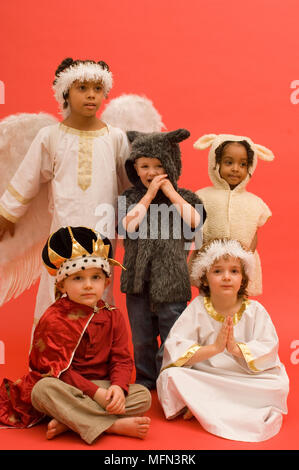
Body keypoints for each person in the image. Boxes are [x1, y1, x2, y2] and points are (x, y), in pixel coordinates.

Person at [0, 57, 130, 328]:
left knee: (100, 288)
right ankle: (49, 362)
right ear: (65, 92)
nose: (91, 94)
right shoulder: (51, 136)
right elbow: (27, 178)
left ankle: (97, 361)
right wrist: (7, 213)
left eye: (97, 88)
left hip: (102, 232)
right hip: (63, 231)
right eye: (82, 87)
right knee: (56, 288)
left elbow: (129, 185)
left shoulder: (115, 137)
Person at [0, 226, 151, 444]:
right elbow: (56, 371)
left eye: (96, 277)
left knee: (142, 396)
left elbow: (121, 359)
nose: (88, 285)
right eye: (78, 278)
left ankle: (71, 420)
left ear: (106, 282)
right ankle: (111, 425)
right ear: (62, 284)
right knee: (42, 390)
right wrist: (97, 396)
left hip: (101, 385)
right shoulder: (54, 317)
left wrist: (117, 387)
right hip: (65, 387)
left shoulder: (113, 316)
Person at [157, 238, 289, 442]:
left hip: (245, 378)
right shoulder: (198, 307)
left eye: (234, 271)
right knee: (170, 376)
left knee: (278, 384)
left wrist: (236, 349)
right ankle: (204, 402)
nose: (226, 277)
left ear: (243, 278)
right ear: (205, 278)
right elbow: (175, 348)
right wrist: (215, 348)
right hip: (207, 375)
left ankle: (200, 404)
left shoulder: (255, 311)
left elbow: (268, 349)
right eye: (217, 271)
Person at [119, 128, 206, 390]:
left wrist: (170, 193)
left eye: (158, 166)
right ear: (135, 168)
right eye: (144, 166)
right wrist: (147, 197)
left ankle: (170, 378)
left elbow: (196, 221)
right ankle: (146, 380)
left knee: (173, 334)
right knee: (142, 338)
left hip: (172, 281)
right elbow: (126, 227)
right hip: (137, 281)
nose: (151, 173)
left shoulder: (186, 198)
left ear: (171, 165)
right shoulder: (131, 198)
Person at [192, 133, 274, 296]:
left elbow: (253, 233)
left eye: (243, 164)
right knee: (208, 301)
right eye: (229, 162)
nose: (236, 169)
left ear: (250, 167)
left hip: (241, 265)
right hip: (209, 261)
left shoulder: (254, 202)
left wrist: (247, 253)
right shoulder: (202, 197)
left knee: (239, 302)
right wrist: (202, 248)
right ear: (216, 163)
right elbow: (194, 227)